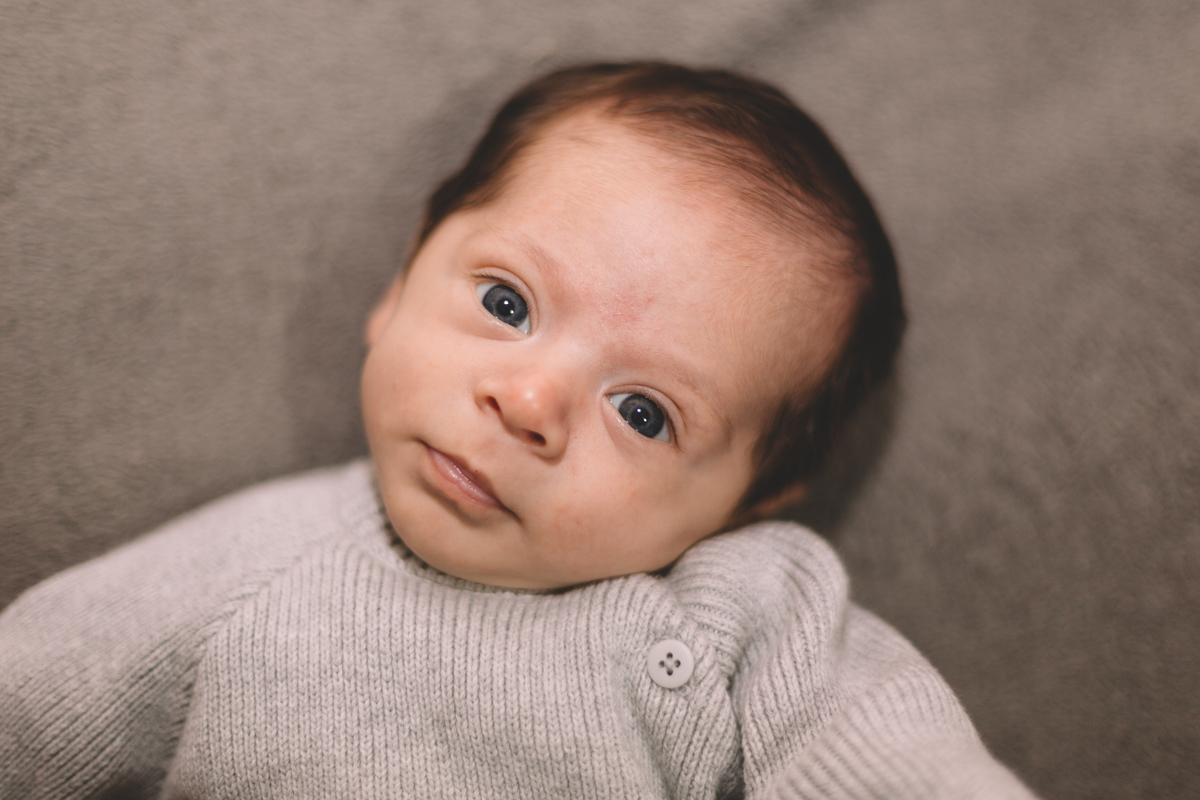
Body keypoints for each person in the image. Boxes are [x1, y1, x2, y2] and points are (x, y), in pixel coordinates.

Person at [0, 62, 1036, 798]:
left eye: (643, 412)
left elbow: (898, 759)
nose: (528, 402)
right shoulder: (237, 574)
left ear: (746, 503)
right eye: (506, 303)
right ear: (403, 277)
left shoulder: (751, 616)